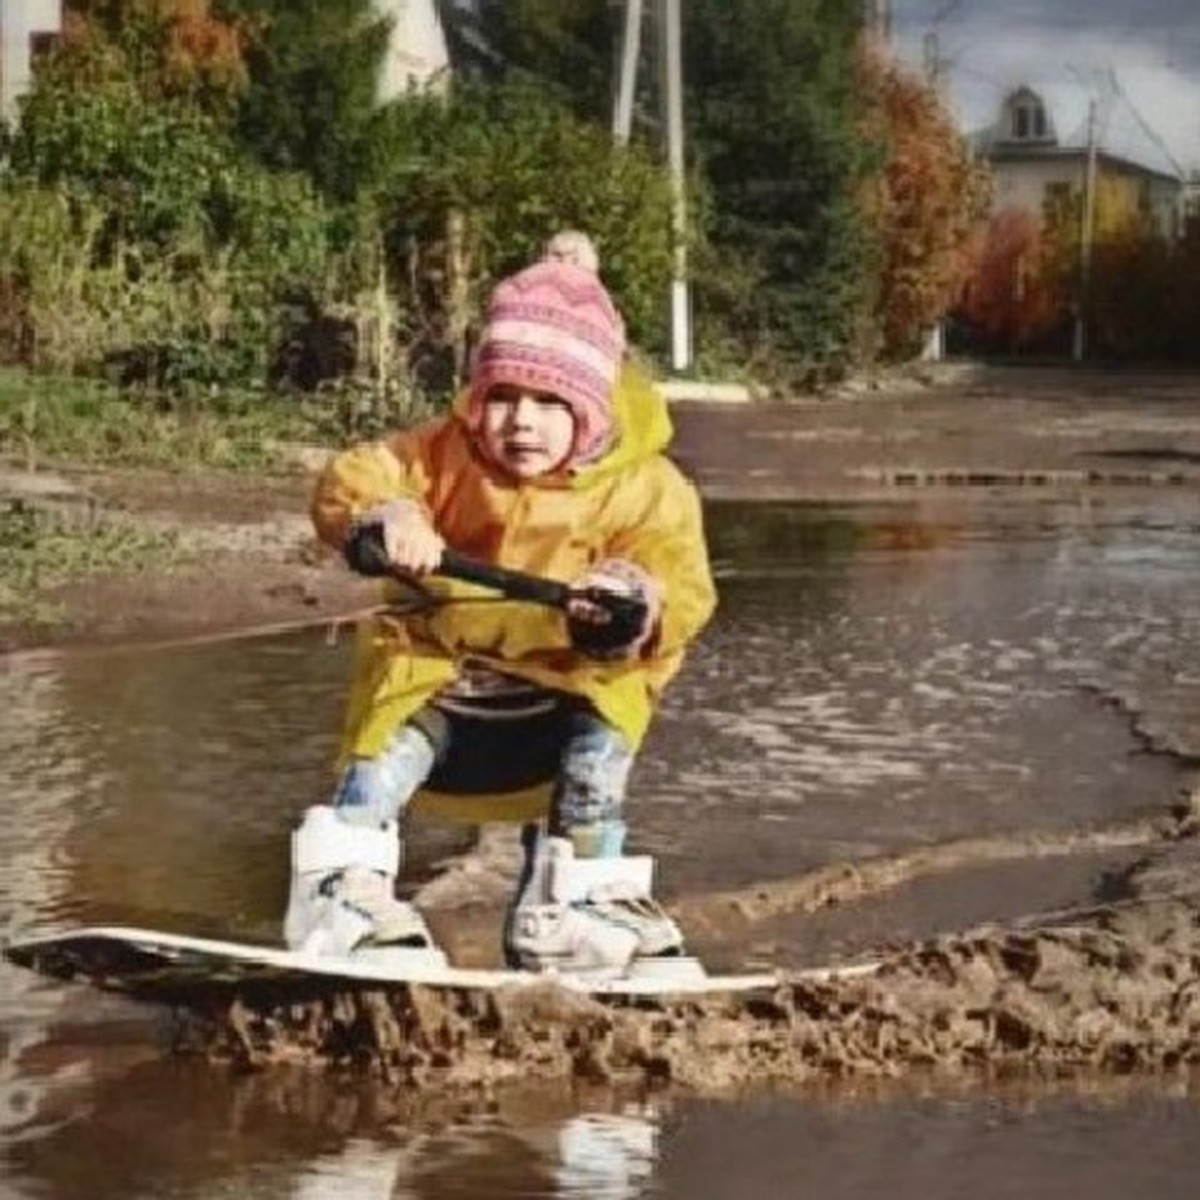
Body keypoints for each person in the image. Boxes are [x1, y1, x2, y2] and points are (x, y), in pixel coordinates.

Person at [284, 251, 716, 975]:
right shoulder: (443, 453)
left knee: (600, 748)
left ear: (593, 408)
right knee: (381, 754)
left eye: (551, 404)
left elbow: (683, 580)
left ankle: (575, 905)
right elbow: (359, 475)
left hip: (568, 676)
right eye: (504, 396)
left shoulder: (648, 488)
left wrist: (636, 600)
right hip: (445, 670)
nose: (522, 421)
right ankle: (342, 888)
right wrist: (388, 517)